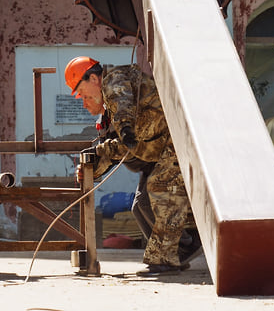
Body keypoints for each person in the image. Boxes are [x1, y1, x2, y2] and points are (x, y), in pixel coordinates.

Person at [65, 55, 201, 275]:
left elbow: (123, 103)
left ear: (93, 78)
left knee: (159, 187)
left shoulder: (113, 79)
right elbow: (115, 151)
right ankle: (179, 250)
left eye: (82, 92)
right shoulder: (108, 116)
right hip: (161, 148)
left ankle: (168, 256)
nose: (83, 99)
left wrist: (126, 129)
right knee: (140, 204)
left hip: (176, 137)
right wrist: (92, 171)